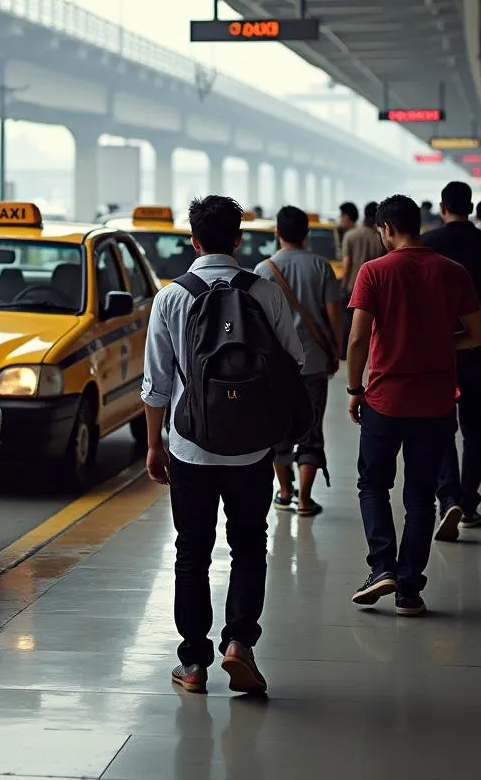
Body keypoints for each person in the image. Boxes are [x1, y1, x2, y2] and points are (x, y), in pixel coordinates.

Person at [141, 194, 303, 696]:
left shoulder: (172, 296)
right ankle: (239, 644)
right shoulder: (264, 291)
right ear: (238, 239)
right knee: (249, 544)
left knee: (192, 550)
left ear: (193, 240)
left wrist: (154, 446)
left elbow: (156, 385)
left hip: (191, 447)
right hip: (252, 449)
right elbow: (293, 360)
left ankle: (192, 663)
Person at [347, 195, 481, 616]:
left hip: (385, 400)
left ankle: (382, 567)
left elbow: (356, 341)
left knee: (373, 484)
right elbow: (477, 335)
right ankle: (409, 589)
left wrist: (355, 389)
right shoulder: (452, 272)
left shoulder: (374, 271)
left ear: (386, 228)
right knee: (421, 496)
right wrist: (442, 344)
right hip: (436, 402)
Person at [422, 181, 481, 535]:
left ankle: (448, 498)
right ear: (471, 208)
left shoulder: (429, 244)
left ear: (443, 208)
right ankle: (469, 502)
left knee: (441, 425)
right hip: (476, 346)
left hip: (437, 350)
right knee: (475, 429)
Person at [256, 205, 342, 516]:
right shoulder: (321, 267)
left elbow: (258, 322)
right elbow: (334, 314)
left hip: (276, 368)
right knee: (312, 428)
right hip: (315, 362)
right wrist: (336, 350)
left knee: (278, 430)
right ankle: (305, 500)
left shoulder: (263, 271)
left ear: (277, 233)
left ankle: (284, 491)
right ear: (306, 234)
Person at [341, 201, 384, 352]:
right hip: (375, 289)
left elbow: (346, 264)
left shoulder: (351, 236)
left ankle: (347, 350)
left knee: (349, 321)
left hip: (352, 286)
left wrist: (343, 285)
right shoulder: (379, 238)